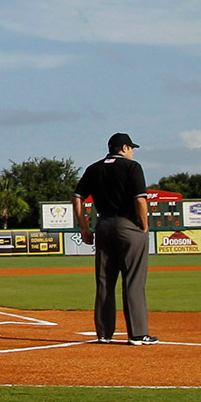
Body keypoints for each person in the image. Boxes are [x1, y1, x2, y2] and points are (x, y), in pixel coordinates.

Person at [75, 132, 153, 345]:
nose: (133, 152)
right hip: (128, 225)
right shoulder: (132, 167)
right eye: (131, 148)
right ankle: (137, 334)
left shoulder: (94, 168)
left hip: (103, 225)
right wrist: (144, 224)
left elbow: (77, 197)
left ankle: (104, 332)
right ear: (125, 147)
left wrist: (84, 227)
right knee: (133, 280)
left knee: (104, 281)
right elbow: (140, 200)